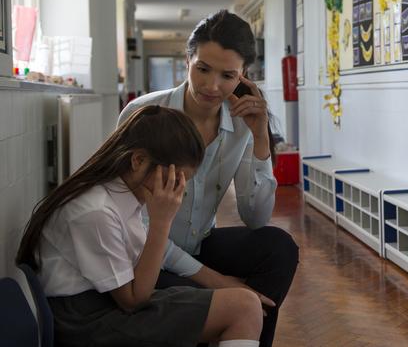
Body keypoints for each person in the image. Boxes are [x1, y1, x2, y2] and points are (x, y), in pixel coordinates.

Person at [117, 10, 299, 347]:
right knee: (212, 298)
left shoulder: (243, 122)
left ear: (244, 77)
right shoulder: (144, 116)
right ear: (187, 59)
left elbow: (255, 217)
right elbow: (134, 227)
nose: (211, 86)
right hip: (147, 258)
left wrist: (260, 138)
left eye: (227, 75)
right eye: (202, 69)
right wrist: (217, 280)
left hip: (198, 245)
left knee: (279, 247)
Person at [16, 105, 264, 347]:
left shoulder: (121, 192)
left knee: (243, 303)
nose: (180, 189)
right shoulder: (96, 211)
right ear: (138, 160)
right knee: (242, 308)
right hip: (85, 320)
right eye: (174, 178)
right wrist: (161, 222)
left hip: (104, 302)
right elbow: (133, 300)